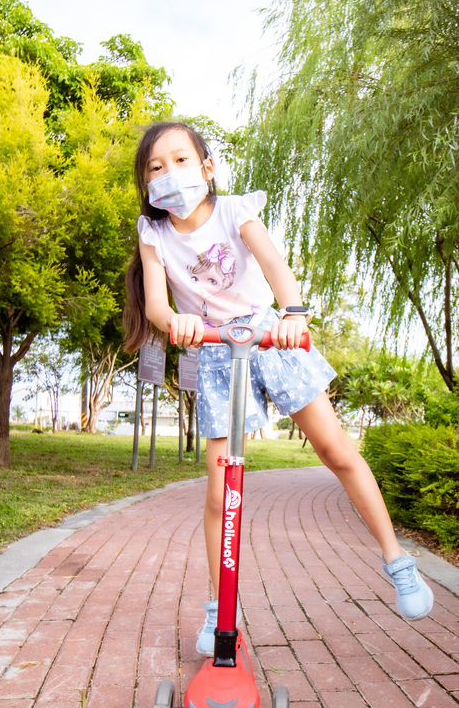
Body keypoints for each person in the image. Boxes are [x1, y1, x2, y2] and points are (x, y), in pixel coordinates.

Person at [124, 121, 433, 655]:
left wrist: (292, 313)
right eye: (156, 167)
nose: (169, 174)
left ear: (207, 168)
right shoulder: (154, 234)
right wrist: (175, 322)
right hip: (216, 351)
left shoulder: (234, 211)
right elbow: (155, 302)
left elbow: (273, 264)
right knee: (221, 489)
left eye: (180, 160)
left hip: (271, 336)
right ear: (146, 183)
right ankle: (221, 607)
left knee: (337, 451)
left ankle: (397, 560)